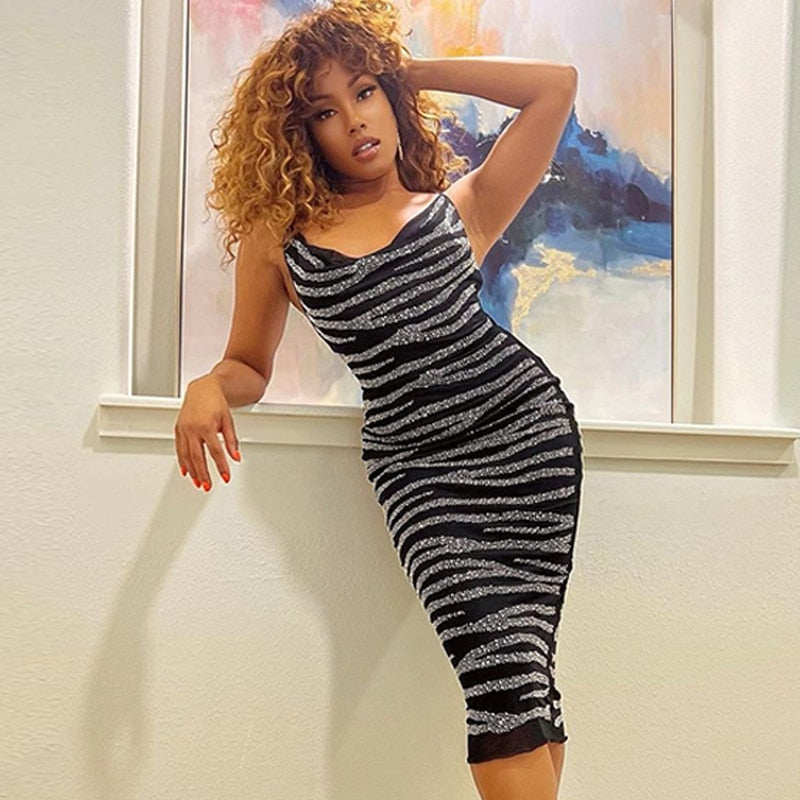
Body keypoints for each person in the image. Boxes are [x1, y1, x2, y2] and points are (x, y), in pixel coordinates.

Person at [174, 1, 582, 798]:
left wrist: (406, 71)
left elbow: (555, 87)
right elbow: (246, 364)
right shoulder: (280, 239)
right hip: (418, 469)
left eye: (364, 93)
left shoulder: (461, 208)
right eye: (325, 110)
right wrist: (205, 386)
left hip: (525, 434)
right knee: (495, 663)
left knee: (520, 670)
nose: (354, 119)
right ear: (301, 133)